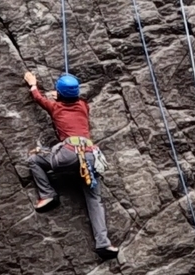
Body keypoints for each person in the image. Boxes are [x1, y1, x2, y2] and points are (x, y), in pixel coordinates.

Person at [24, 70, 118, 260]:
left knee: (34, 160)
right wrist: (58, 95)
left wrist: (33, 84)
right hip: (89, 156)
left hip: (67, 155)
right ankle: (103, 243)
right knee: (94, 200)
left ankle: (47, 195)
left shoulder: (55, 107)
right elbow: (69, 101)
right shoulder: (83, 106)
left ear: (59, 95)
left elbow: (38, 98)